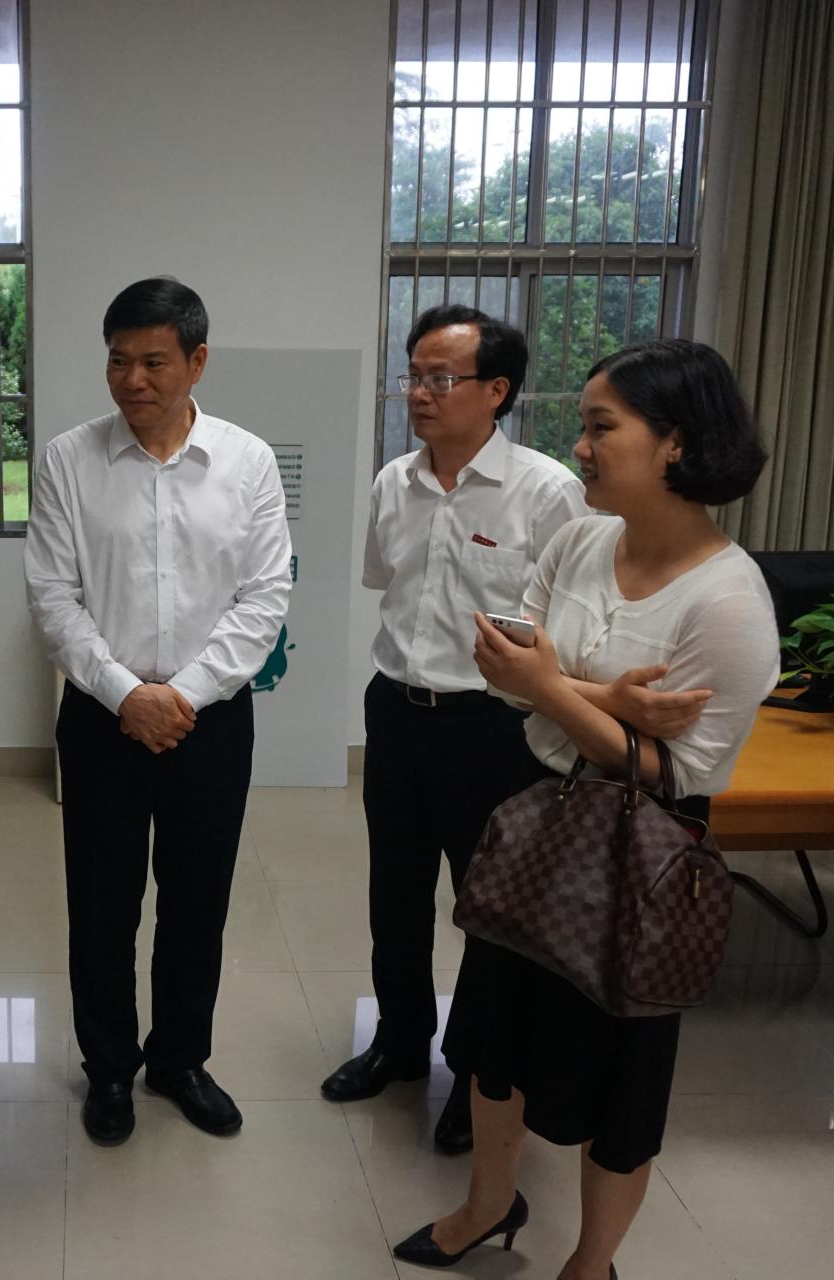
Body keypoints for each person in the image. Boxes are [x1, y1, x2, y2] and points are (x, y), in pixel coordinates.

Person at [393, 339, 777, 1279]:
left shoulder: (728, 602)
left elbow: (674, 772)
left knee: (619, 1080)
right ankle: (489, 1204)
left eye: (603, 427)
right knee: (495, 1046)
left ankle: (591, 1262)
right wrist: (601, 700)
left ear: (677, 442)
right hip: (540, 819)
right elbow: (505, 671)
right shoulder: (580, 542)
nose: (581, 447)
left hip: (642, 858)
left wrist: (555, 689)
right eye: (584, 426)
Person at [24, 278, 293, 1144]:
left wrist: (183, 695)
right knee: (102, 904)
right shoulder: (69, 459)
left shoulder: (247, 461)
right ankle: (109, 1067)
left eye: (153, 361)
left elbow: (264, 596)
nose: (132, 380)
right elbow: (52, 596)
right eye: (117, 361)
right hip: (102, 719)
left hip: (209, 722)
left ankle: (179, 1060)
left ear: (196, 361)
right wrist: (124, 693)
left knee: (196, 900)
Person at [321, 305, 589, 1157]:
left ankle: (479, 1075)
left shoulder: (548, 491)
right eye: (414, 375)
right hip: (398, 712)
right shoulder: (393, 482)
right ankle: (401, 1043)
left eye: (441, 378)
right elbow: (387, 582)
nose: (420, 392)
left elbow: (570, 625)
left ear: (496, 390)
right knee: (395, 896)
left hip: (496, 729)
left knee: (492, 910)